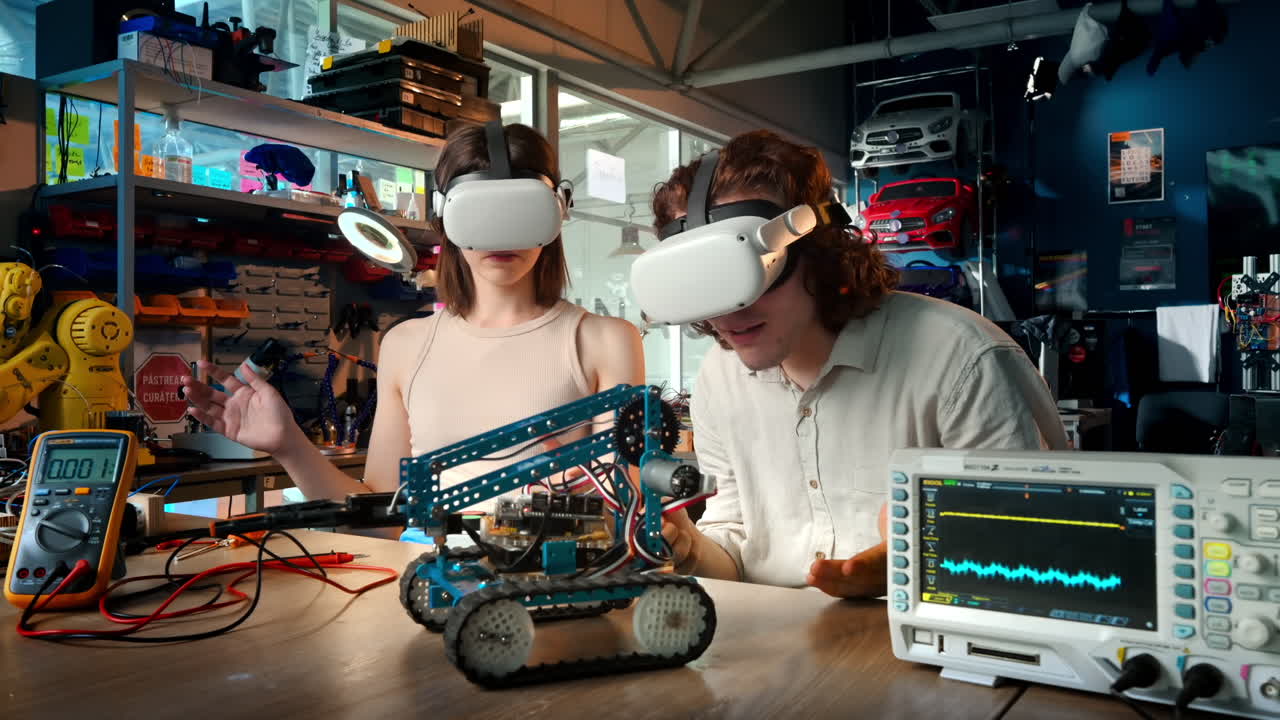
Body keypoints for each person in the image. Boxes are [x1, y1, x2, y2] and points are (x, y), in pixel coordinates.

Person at [654, 130, 1067, 598]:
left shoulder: (960, 358)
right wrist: (690, 547)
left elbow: (1033, 550)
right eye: (707, 283)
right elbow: (737, 547)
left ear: (820, 250)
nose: (731, 310)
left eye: (756, 270)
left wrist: (920, 567)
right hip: (773, 637)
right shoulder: (718, 379)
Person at [182, 124, 644, 536]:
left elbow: (624, 517)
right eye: (480, 212)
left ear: (557, 211)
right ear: (445, 216)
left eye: (520, 211)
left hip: (553, 592)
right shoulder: (406, 344)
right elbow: (383, 521)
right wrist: (290, 447)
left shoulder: (604, 341)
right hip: (428, 588)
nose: (501, 234)